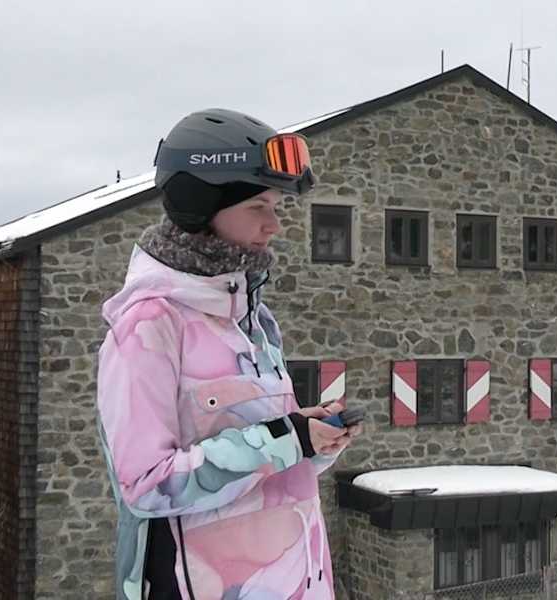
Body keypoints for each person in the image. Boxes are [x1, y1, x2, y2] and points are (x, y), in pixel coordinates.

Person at [96, 108, 361, 600]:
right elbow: (147, 486)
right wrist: (288, 439)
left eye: (277, 206)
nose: (274, 224)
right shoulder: (148, 327)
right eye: (259, 206)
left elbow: (270, 457)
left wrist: (313, 438)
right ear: (200, 203)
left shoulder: (253, 319)